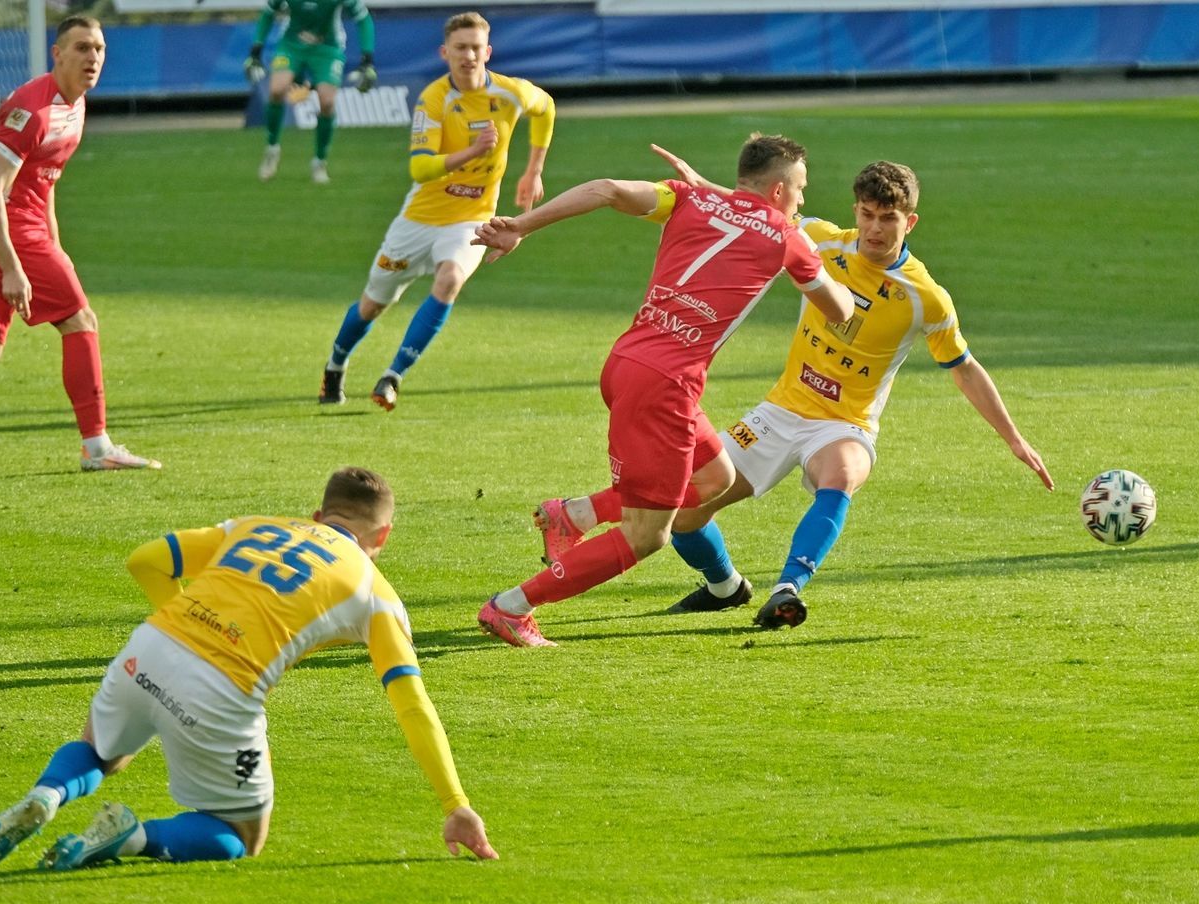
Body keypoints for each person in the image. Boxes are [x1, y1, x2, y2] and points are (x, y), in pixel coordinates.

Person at [548, 156, 1056, 630]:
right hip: (778, 412)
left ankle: (788, 587)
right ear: (856, 211)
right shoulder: (817, 238)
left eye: (889, 219)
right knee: (686, 511)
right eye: (868, 215)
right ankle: (723, 586)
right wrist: (703, 186)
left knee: (841, 474)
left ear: (910, 222)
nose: (876, 229)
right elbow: (752, 213)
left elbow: (964, 369)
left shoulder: (926, 297)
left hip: (845, 424)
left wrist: (1013, 438)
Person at [0, 466, 498, 870]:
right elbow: (412, 705)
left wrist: (188, 627)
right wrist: (456, 803)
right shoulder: (376, 594)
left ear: (318, 515)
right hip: (220, 688)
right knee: (242, 835)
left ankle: (46, 795)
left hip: (152, 644)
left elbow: (146, 559)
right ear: (383, 537)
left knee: (105, 751)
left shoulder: (253, 526)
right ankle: (128, 835)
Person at [471, 136, 854, 648]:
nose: (803, 201)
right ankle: (511, 607)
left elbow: (606, 189)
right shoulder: (788, 236)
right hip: (666, 386)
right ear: (780, 188)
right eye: (801, 190)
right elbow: (841, 311)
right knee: (647, 535)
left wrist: (519, 225)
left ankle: (574, 515)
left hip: (628, 360)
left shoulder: (687, 196)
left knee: (716, 476)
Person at [0, 17, 159, 471]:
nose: (93, 58)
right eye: (82, 48)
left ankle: (97, 446)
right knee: (80, 319)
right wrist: (12, 266)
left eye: (100, 49)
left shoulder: (75, 106)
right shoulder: (33, 108)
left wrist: (55, 245)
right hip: (1, 228)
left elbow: (45, 183)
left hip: (3, 229)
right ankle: (97, 448)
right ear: (57, 53)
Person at [318, 11, 554, 411]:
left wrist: (534, 169)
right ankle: (335, 367)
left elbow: (545, 107)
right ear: (445, 52)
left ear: (488, 51)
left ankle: (392, 377)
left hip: (471, 218)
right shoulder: (434, 99)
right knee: (373, 304)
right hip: (419, 220)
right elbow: (420, 167)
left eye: (476, 47)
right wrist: (472, 152)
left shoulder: (510, 93)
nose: (469, 55)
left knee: (450, 279)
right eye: (460, 48)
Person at [246, 0, 377, 184]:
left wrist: (367, 59)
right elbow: (268, 13)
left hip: (327, 48)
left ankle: (319, 162)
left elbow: (363, 18)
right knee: (276, 90)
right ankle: (272, 148)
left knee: (327, 102)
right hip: (292, 45)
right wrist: (256, 50)